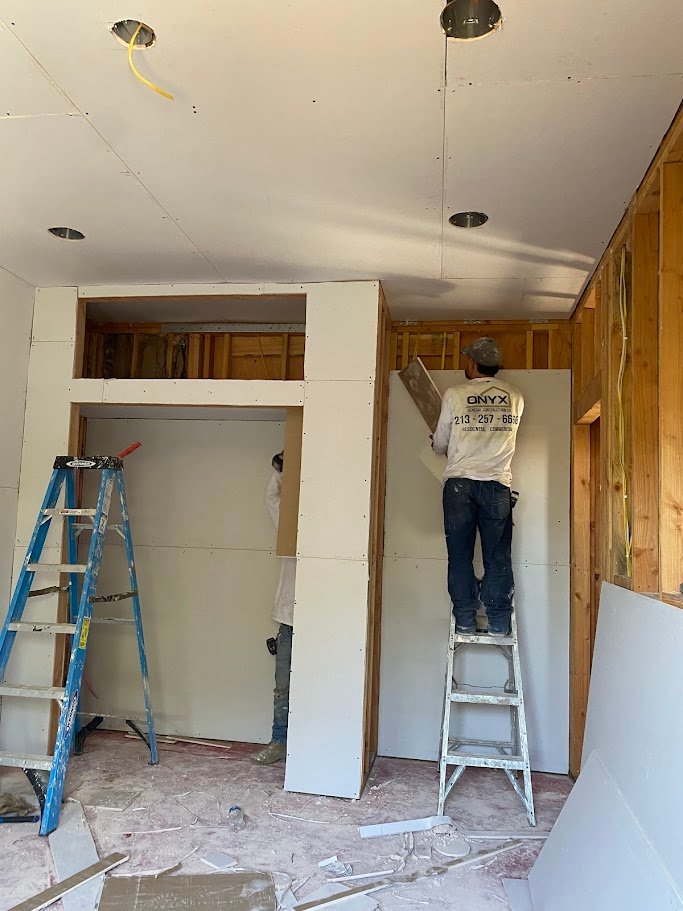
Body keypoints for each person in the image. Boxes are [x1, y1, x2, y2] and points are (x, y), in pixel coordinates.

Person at [431, 337, 524, 636]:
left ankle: (466, 619)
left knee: (459, 555)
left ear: (472, 362)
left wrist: (440, 444)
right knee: (497, 556)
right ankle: (497, 621)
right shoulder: (515, 396)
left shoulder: (456, 395)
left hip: (459, 485)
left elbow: (440, 443)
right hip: (496, 485)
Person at [252, 451, 297, 765]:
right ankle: (279, 741)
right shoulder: (290, 525)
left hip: (326, 619)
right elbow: (273, 496)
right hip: (291, 619)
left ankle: (313, 741)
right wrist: (282, 470)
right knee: (284, 685)